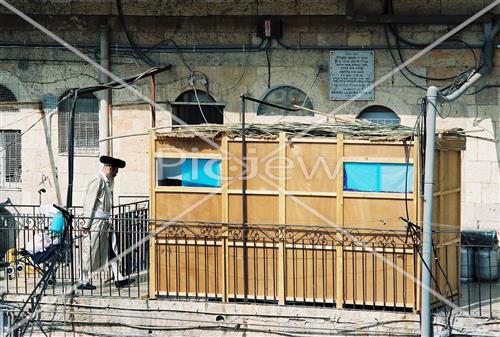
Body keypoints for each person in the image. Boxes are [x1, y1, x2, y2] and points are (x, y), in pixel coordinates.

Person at [78, 155, 134, 290]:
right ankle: (82, 280)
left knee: (112, 249)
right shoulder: (97, 180)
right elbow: (89, 202)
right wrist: (86, 224)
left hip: (104, 222)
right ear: (110, 168)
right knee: (90, 250)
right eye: (115, 170)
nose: (116, 173)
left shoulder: (106, 182)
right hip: (96, 222)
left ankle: (118, 277)